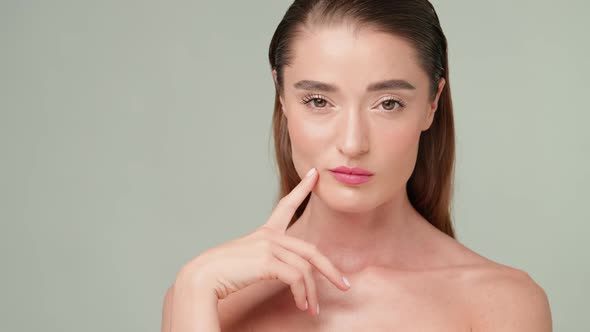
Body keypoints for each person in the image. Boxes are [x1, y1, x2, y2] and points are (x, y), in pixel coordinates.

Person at [161, 0, 553, 331]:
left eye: (388, 103)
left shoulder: (503, 305)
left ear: (432, 104)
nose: (352, 143)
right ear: (281, 97)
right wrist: (194, 289)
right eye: (318, 101)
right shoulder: (208, 294)